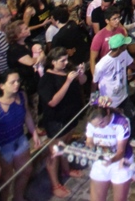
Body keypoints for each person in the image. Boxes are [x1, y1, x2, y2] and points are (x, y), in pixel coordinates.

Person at [38, 48, 88, 198]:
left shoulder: (68, 70)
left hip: (70, 116)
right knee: (55, 152)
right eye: (62, 61)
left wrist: (81, 74)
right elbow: (52, 102)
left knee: (66, 144)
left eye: (66, 59)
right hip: (56, 120)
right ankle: (55, 184)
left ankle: (66, 169)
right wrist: (67, 81)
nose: (66, 63)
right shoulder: (47, 79)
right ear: (53, 62)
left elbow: (83, 81)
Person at [0, 72, 40, 201]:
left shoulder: (22, 96)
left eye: (18, 81)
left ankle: (18, 197)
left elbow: (26, 114)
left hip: (19, 139)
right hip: (3, 146)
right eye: (12, 82)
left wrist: (34, 132)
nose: (17, 84)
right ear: (2, 86)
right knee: (5, 180)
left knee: (26, 170)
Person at [83, 106, 134, 201]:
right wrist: (88, 147)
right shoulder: (91, 124)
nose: (99, 127)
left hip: (120, 162)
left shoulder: (121, 123)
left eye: (101, 122)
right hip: (101, 160)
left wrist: (111, 160)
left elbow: (121, 152)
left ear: (107, 112)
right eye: (96, 126)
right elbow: (89, 141)